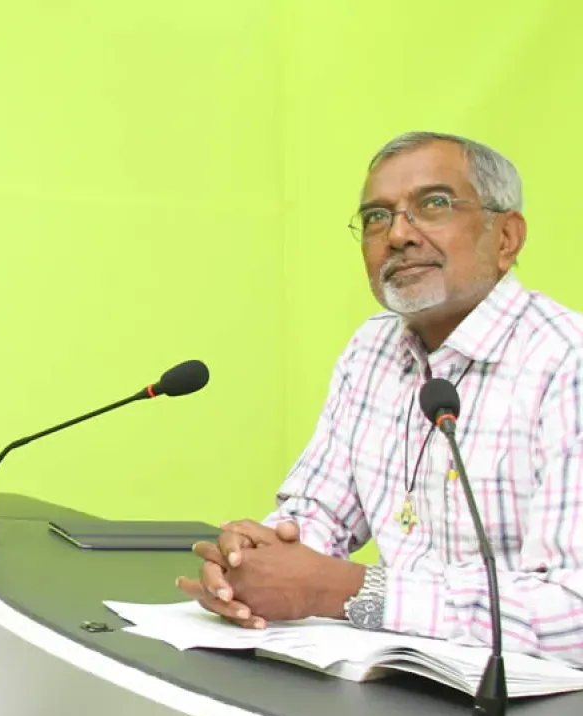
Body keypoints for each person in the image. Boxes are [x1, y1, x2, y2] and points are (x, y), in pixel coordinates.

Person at [179, 131, 583, 666]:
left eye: (433, 205)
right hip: (397, 685)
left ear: (506, 237)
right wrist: (250, 565)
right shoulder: (372, 348)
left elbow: (573, 613)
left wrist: (351, 591)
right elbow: (317, 513)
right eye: (375, 217)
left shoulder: (566, 364)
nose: (397, 235)